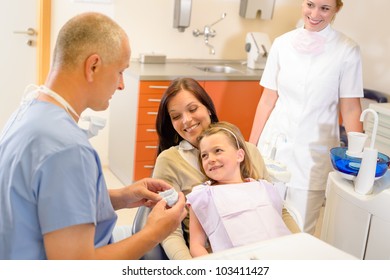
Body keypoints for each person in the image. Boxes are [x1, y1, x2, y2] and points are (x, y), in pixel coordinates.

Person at [0, 12, 186, 260]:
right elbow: (74, 270)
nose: (121, 85)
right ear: (93, 66)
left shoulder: (28, 111)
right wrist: (154, 232)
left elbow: (46, 202)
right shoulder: (67, 148)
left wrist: (121, 197)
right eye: (120, 71)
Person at [153, 77, 300, 260]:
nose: (187, 120)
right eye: (176, 116)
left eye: (193, 109)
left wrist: (299, 247)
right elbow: (168, 229)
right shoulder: (170, 162)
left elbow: (278, 211)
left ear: (207, 107)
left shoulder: (249, 151)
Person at [249, 0, 363, 234]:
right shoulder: (281, 44)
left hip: (313, 157)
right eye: (310, 4)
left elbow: (351, 108)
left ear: (337, 10)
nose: (314, 14)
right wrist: (250, 148)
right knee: (261, 226)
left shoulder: (347, 49)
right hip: (273, 148)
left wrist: (357, 160)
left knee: (300, 232)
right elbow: (267, 100)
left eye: (325, 8)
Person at [187, 122, 291, 257]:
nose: (210, 159)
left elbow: (278, 227)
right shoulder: (202, 196)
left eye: (217, 151)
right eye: (204, 155)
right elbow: (196, 246)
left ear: (239, 155)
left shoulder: (265, 188)